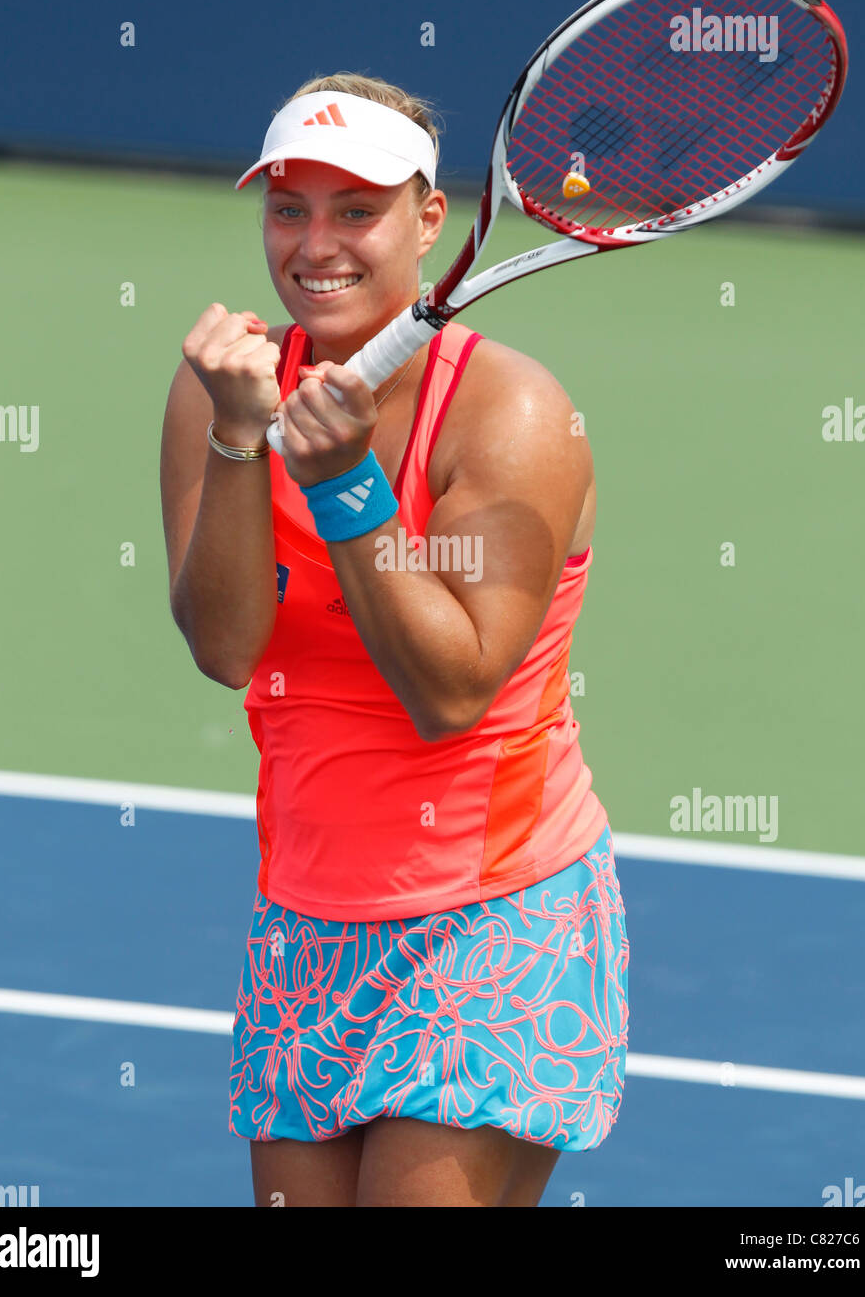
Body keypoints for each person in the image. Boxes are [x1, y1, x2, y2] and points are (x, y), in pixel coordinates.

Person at [160, 73, 629, 1208]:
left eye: (354, 209)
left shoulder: (511, 414)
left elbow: (452, 691)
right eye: (288, 208)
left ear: (430, 220)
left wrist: (345, 487)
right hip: (307, 914)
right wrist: (238, 438)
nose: (315, 243)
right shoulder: (217, 385)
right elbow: (227, 646)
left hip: (490, 917)